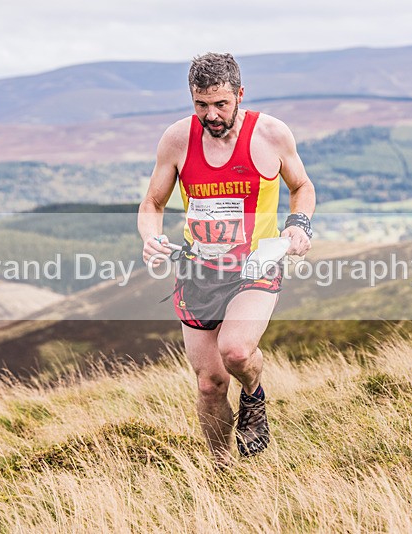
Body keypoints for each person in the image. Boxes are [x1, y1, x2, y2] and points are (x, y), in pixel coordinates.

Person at [138, 52, 315, 465]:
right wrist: (151, 238)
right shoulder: (177, 139)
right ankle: (223, 468)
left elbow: (302, 185)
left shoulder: (271, 134)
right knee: (210, 384)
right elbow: (153, 202)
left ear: (240, 94)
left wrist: (299, 225)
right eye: (201, 105)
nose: (212, 115)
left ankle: (254, 395)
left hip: (255, 265)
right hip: (198, 270)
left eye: (221, 104)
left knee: (236, 352)